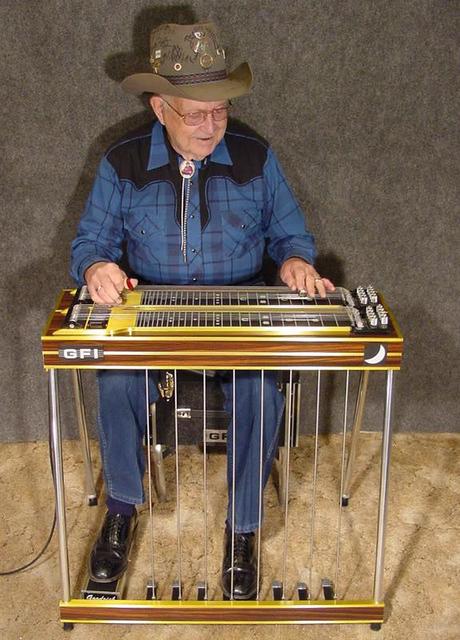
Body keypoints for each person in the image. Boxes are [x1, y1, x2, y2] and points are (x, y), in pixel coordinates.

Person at [70, 21, 334, 600]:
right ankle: (120, 512)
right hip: (154, 321)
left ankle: (242, 531)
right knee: (113, 379)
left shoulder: (256, 158)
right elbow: (88, 244)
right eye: (196, 114)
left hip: (239, 319)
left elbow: (293, 238)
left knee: (262, 390)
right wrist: (95, 269)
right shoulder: (122, 163)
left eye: (221, 112)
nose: (213, 126)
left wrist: (295, 263)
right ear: (160, 107)